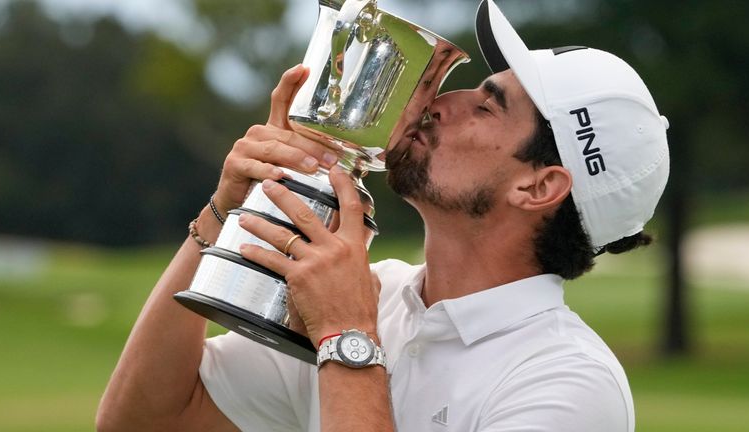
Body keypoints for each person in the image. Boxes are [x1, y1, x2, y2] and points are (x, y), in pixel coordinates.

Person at [97, 1, 669, 431]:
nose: (441, 102)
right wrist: (225, 209)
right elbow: (146, 420)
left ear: (539, 185)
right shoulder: (376, 298)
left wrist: (346, 339)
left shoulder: (569, 382)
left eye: (487, 105)